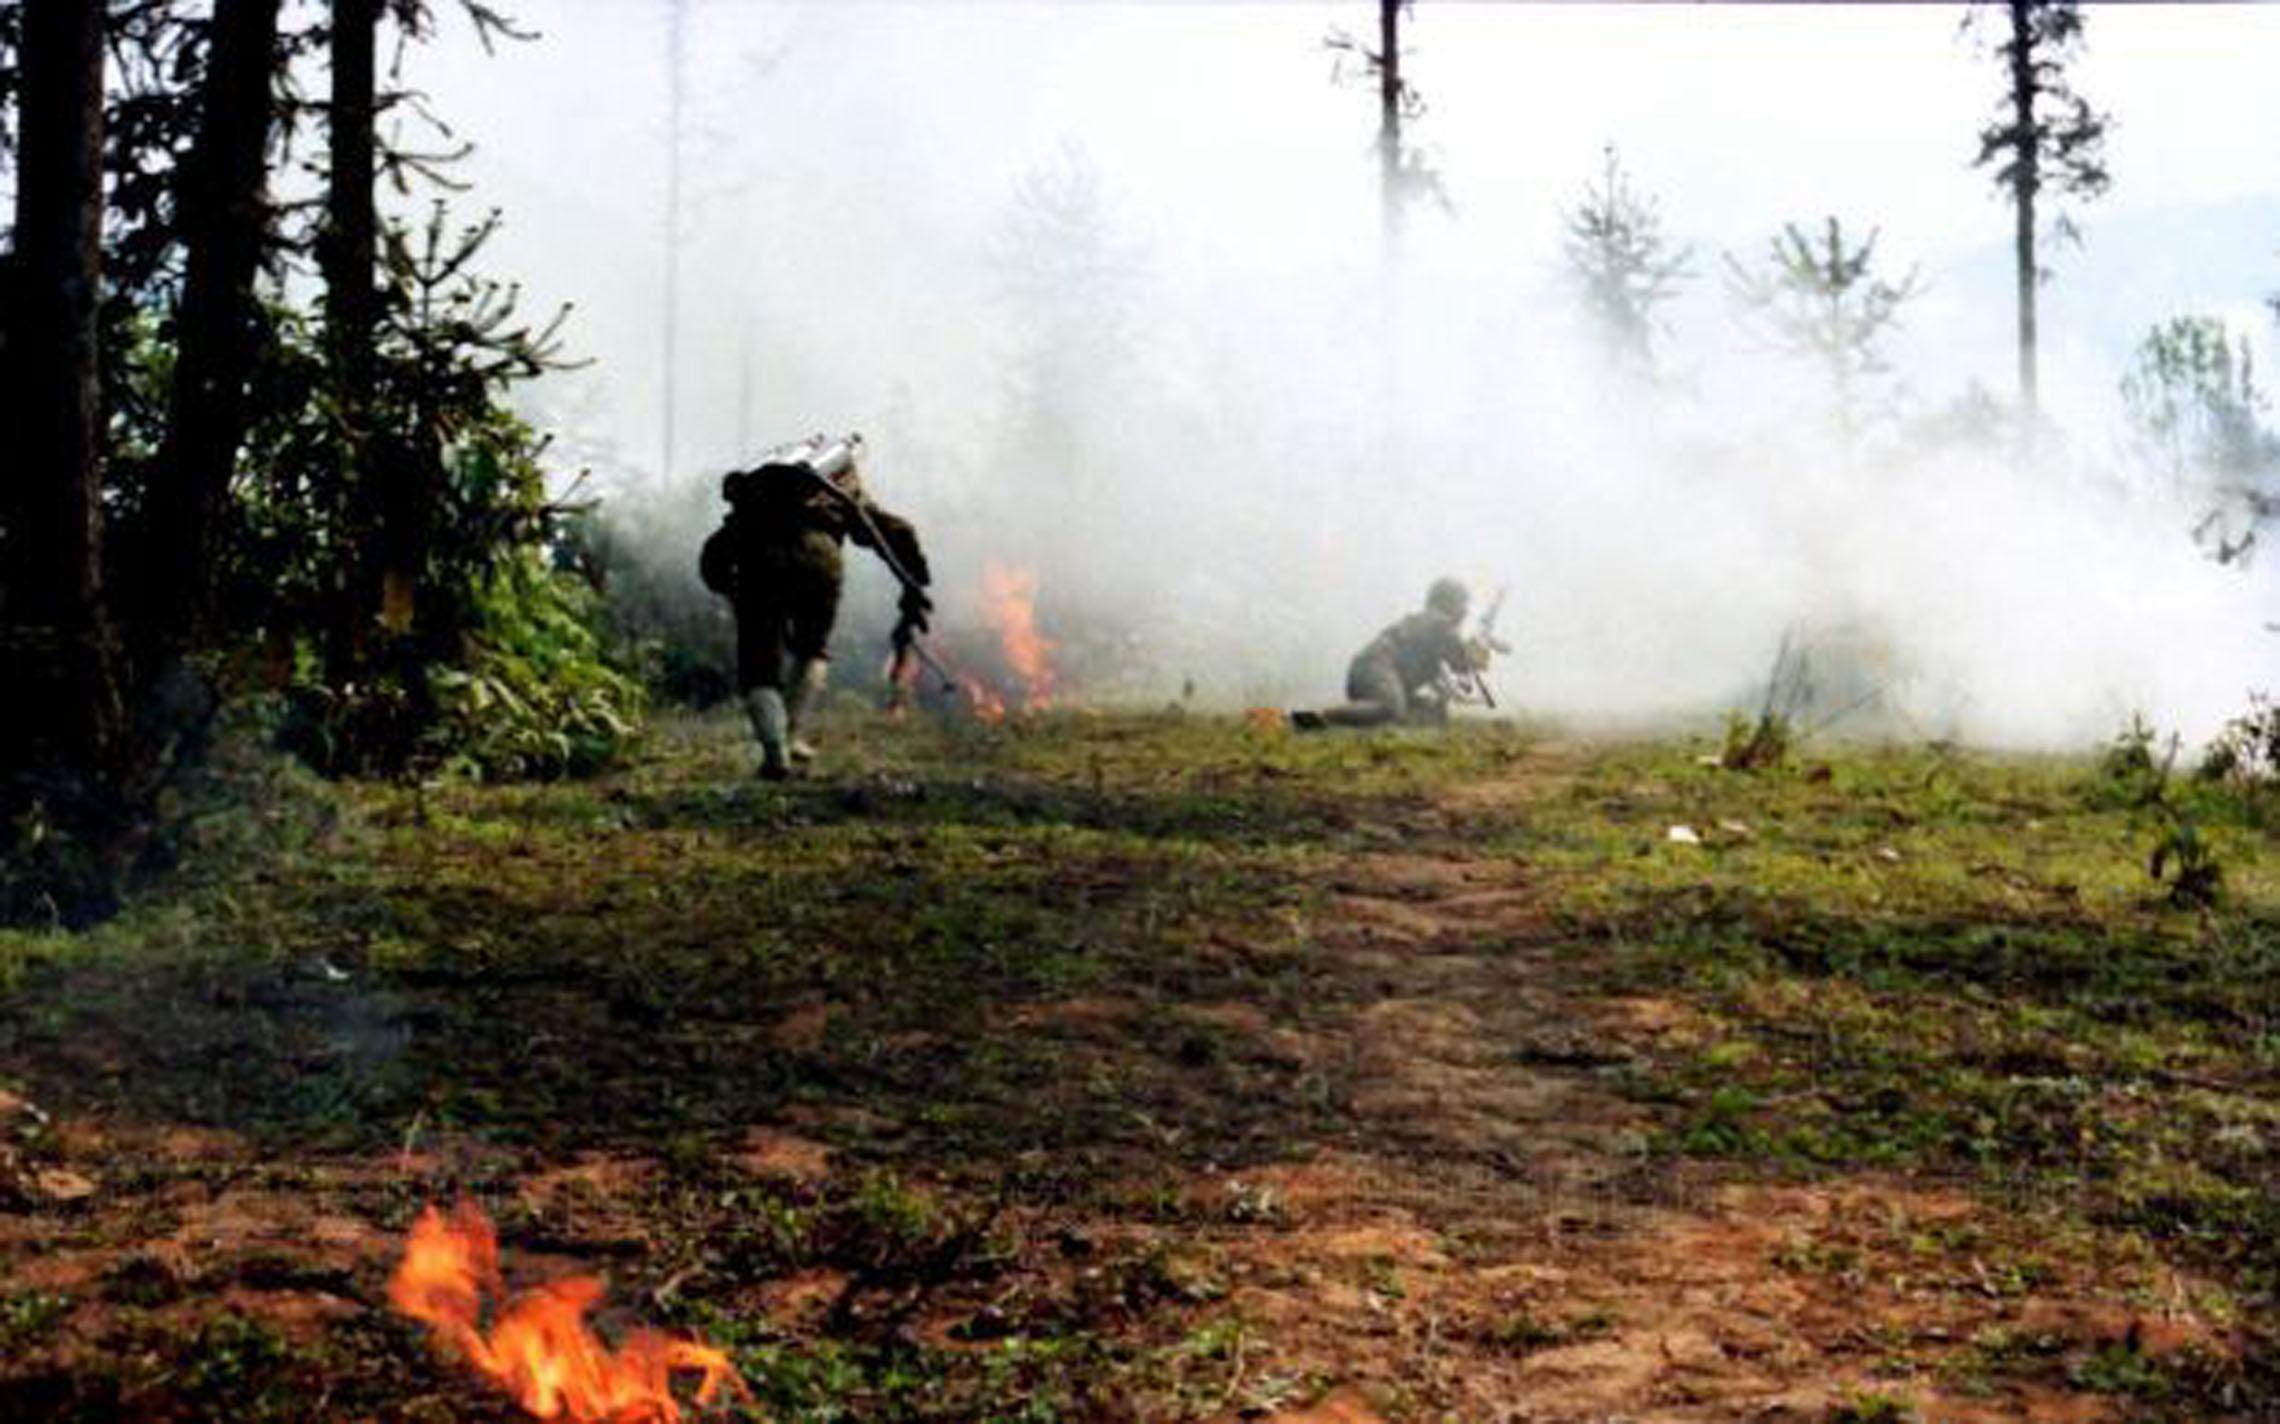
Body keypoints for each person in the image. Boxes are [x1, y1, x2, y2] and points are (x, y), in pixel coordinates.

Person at [699, 434, 932, 778]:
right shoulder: (835, 478)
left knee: (758, 663)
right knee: (812, 649)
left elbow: (723, 544)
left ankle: (775, 752)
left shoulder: (761, 484)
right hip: (819, 557)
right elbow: (883, 528)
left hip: (757, 557)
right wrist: (916, 574)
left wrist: (726, 585)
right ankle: (791, 735)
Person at [1292, 577, 1490, 730]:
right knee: (1389, 707)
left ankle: (1348, 721)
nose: (1464, 612)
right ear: (1448, 603)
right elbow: (1462, 664)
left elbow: (1450, 679)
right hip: (1377, 668)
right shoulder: (1439, 624)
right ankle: (1307, 720)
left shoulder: (1429, 627)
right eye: (1461, 605)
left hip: (1368, 674)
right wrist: (1479, 652)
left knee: (1431, 713)